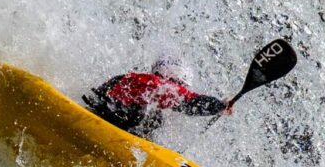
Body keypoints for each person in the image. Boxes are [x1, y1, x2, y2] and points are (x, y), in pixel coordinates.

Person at [83, 56, 233, 139]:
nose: (182, 89)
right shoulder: (158, 85)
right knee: (155, 118)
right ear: (173, 78)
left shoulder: (129, 78)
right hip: (106, 127)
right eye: (181, 85)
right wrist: (219, 105)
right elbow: (190, 102)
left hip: (97, 118)